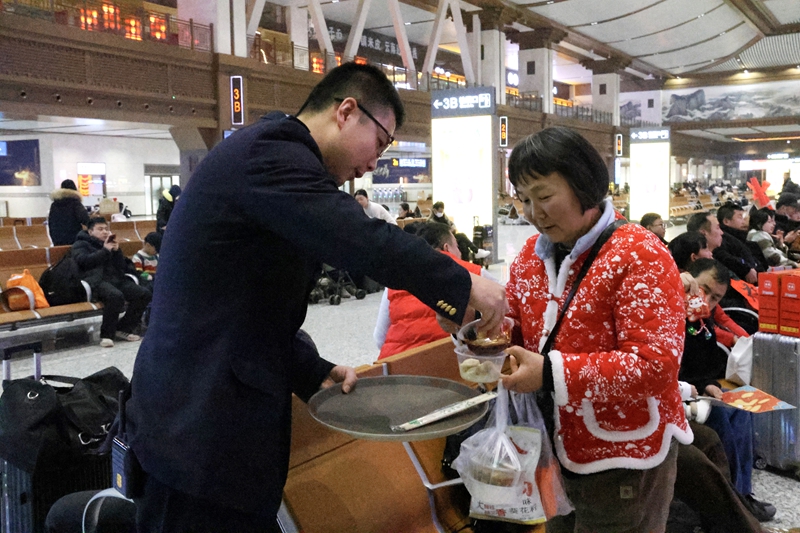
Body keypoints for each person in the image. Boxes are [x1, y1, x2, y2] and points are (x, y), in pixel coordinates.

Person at [124, 62, 507, 532]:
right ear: (347, 111)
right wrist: (463, 284)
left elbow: (249, 308)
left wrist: (311, 370)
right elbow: (359, 237)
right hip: (194, 435)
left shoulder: (278, 163)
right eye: (380, 143)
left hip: (218, 437)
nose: (373, 164)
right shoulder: (269, 153)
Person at [499, 127, 692, 533]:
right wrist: (472, 328)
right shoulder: (530, 260)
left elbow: (656, 366)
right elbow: (515, 333)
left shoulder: (640, 253)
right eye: (524, 198)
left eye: (544, 195)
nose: (534, 212)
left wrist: (549, 373)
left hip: (625, 456)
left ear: (584, 185)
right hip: (553, 449)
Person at [679, 258, 775, 521]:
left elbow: (706, 365)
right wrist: (700, 386)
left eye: (715, 298)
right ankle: (731, 501)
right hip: (677, 394)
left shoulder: (703, 322)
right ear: (688, 280)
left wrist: (709, 383)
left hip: (698, 389)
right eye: (703, 290)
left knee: (742, 408)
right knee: (719, 418)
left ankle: (742, 493)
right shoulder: (667, 316)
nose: (706, 300)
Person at [374, 222, 487, 359]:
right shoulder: (475, 273)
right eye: (457, 246)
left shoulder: (395, 280)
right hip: (446, 363)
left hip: (393, 363)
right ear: (447, 248)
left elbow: (379, 338)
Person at [71, 217, 152, 347]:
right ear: (90, 232)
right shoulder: (81, 244)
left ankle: (123, 329)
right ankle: (107, 335)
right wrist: (105, 250)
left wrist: (117, 251)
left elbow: (123, 267)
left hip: (116, 279)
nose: (104, 232)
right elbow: (84, 262)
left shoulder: (110, 244)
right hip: (95, 281)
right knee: (115, 296)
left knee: (143, 294)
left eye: (106, 229)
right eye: (100, 229)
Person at [687, 211, 759, 285]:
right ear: (703, 232)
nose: (722, 232)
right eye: (717, 228)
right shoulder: (704, 270)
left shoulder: (716, 257)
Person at [717, 203, 768, 272]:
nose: (744, 221)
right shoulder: (722, 242)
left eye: (744, 217)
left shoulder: (749, 244)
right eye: (740, 217)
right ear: (726, 221)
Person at [47, 179, 90, 246]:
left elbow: (51, 222)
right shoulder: (75, 203)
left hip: (57, 238)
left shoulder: (54, 204)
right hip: (74, 238)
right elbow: (84, 219)